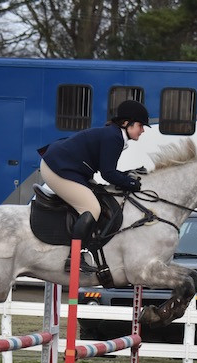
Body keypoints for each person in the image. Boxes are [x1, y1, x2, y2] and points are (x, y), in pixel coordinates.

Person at [40, 99, 149, 272]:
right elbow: (108, 173)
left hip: (69, 168)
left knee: (99, 196)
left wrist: (126, 176)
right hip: (57, 168)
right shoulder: (114, 137)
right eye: (140, 126)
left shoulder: (114, 135)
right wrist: (131, 183)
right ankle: (74, 256)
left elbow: (108, 171)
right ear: (127, 123)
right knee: (92, 207)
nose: (142, 130)